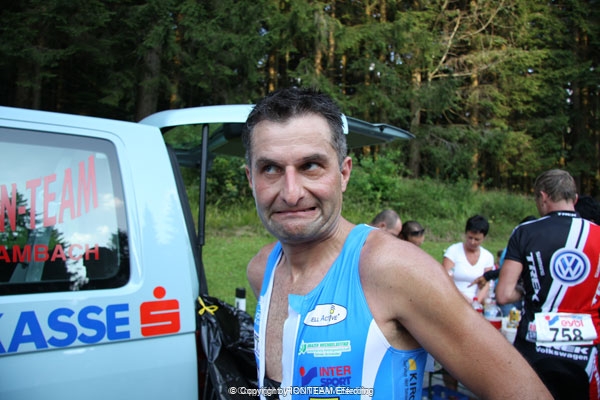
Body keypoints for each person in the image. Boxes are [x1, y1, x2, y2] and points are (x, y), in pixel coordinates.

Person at [242, 87, 551, 400]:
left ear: (344, 173)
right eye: (270, 169)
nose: (291, 193)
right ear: (251, 179)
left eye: (310, 166)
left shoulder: (393, 270)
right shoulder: (262, 270)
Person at [496, 169, 600, 400]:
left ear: (543, 197)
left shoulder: (525, 231)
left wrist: (526, 289)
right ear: (574, 199)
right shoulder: (597, 234)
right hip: (585, 349)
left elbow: (503, 295)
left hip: (535, 345)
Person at [443, 215, 495, 306]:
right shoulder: (453, 251)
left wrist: (476, 302)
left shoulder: (488, 257)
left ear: (484, 238)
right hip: (454, 297)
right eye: (470, 237)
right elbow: (446, 279)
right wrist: (465, 300)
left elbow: (485, 283)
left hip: (476, 301)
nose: (472, 242)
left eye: (477, 239)